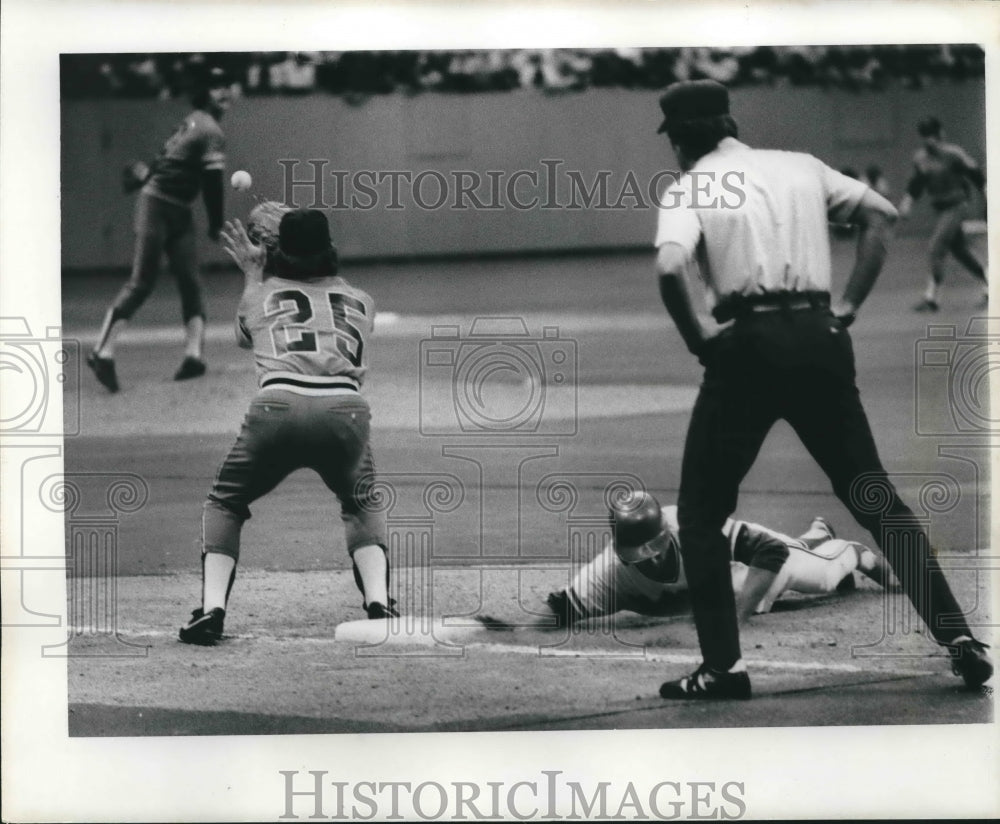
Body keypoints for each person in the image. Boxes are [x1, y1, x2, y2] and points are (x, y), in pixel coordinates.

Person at [652, 79, 992, 699]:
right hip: (820, 336)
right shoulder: (800, 166)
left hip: (747, 346)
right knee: (876, 498)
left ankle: (723, 669)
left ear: (679, 139)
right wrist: (848, 305)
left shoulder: (691, 185)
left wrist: (702, 337)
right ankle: (959, 637)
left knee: (702, 517)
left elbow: (672, 266)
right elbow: (881, 216)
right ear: (728, 121)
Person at [178, 206, 396, 645]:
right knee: (362, 503)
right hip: (345, 411)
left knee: (225, 502)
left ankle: (213, 611)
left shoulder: (261, 296)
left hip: (276, 410)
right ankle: (379, 604)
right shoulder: (363, 301)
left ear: (279, 253)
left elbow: (245, 335)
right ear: (330, 249)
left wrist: (255, 271)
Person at [482, 492, 894, 631]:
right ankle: (816, 535)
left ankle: (852, 552)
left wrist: (737, 618)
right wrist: (517, 627)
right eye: (641, 555)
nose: (652, 558)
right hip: (721, 583)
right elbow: (563, 606)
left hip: (746, 569)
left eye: (657, 548)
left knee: (819, 578)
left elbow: (770, 552)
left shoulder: (694, 527)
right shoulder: (610, 572)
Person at [87, 65, 231, 393]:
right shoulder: (210, 129)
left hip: (175, 207)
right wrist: (216, 222)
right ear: (204, 93)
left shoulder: (194, 121)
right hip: (158, 204)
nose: (224, 93)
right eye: (217, 87)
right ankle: (101, 352)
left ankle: (194, 356)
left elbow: (169, 157)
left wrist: (147, 172)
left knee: (190, 283)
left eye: (226, 86)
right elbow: (212, 182)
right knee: (142, 282)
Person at [899, 116, 988, 312]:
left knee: (936, 247)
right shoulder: (921, 158)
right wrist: (907, 202)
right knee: (960, 252)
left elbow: (977, 177)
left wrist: (987, 202)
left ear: (940, 135)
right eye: (924, 135)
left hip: (957, 205)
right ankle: (991, 284)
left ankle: (931, 298)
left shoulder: (954, 155)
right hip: (941, 209)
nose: (928, 139)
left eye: (932, 134)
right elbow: (917, 183)